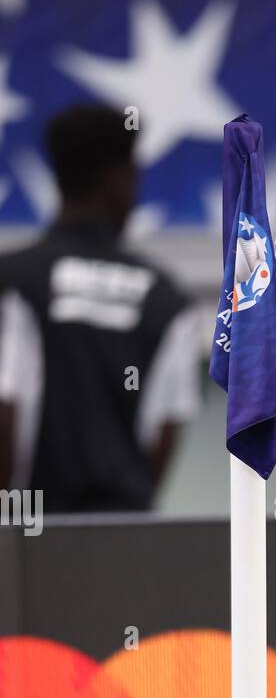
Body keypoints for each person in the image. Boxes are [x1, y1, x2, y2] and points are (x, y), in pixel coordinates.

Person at [0, 104, 200, 512]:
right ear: (118, 181)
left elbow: (7, 409)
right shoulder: (165, 300)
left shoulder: (14, 280)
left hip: (25, 540)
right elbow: (164, 431)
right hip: (125, 542)